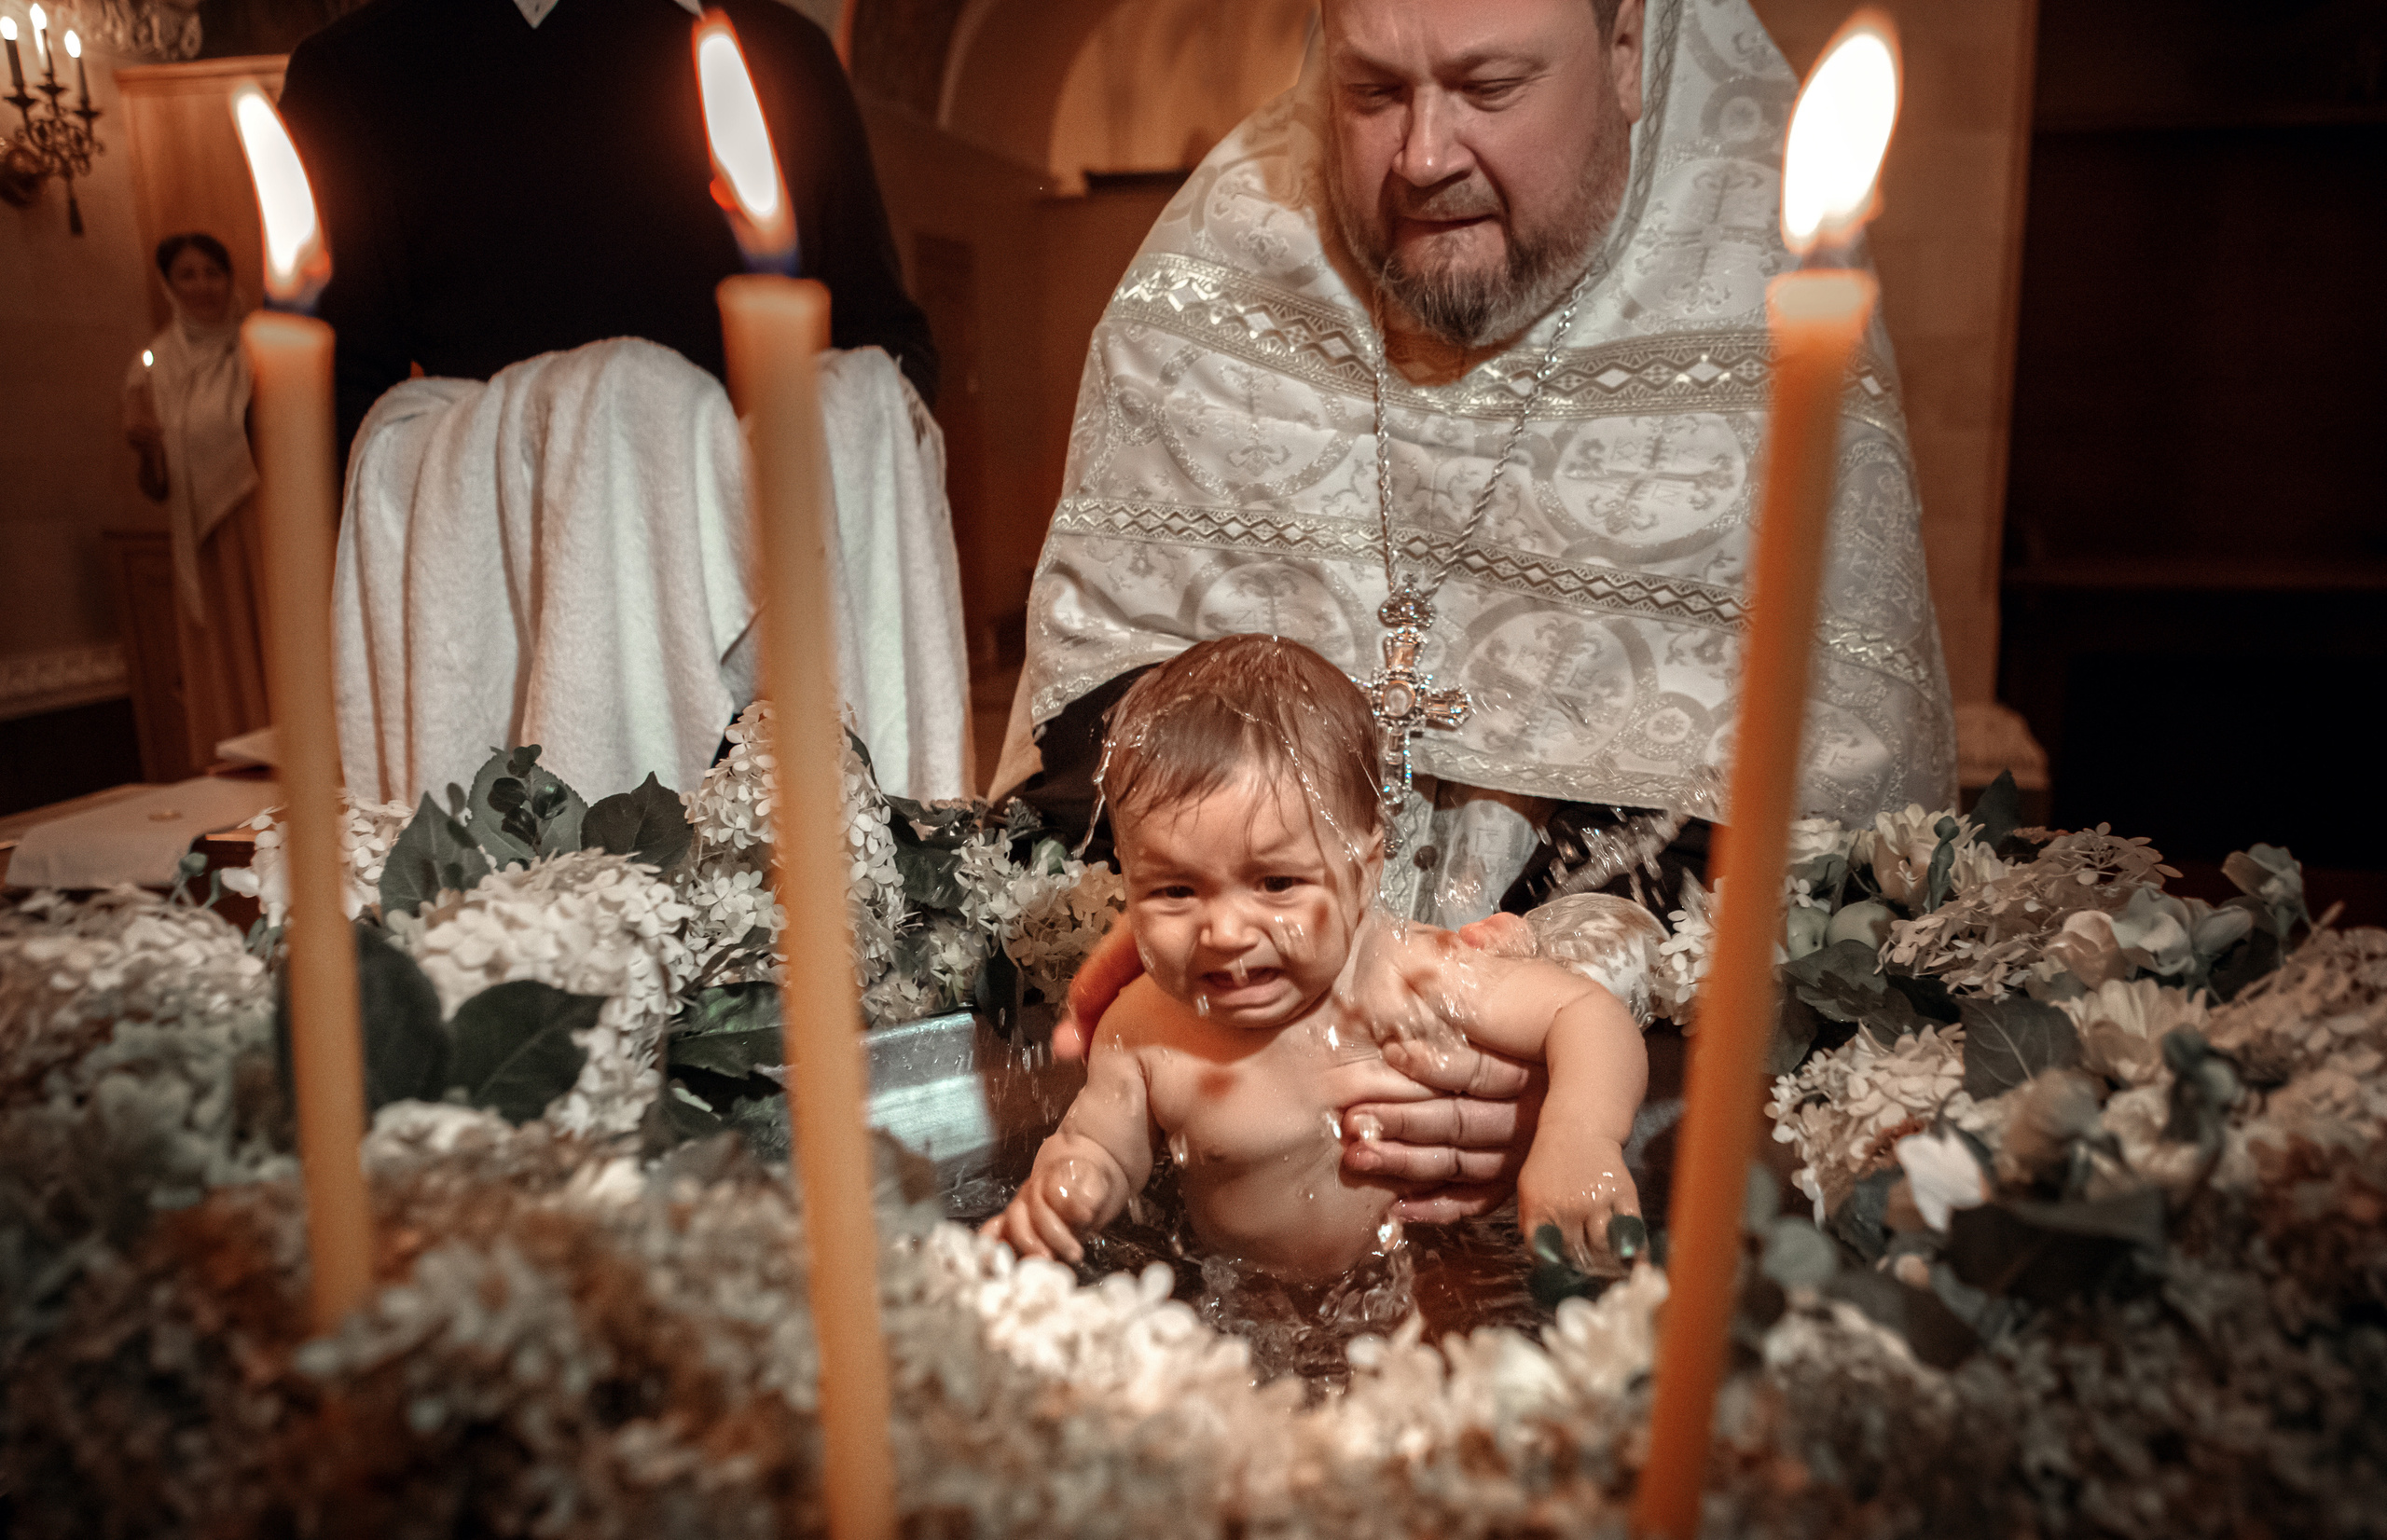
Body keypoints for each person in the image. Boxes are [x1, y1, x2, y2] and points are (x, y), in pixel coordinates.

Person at [999, 0, 1959, 1213]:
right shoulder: (1210, 281)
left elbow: (1842, 891)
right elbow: (1085, 763)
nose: (1423, 156)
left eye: (1488, 86)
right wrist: (1195, 929)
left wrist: (1588, 1067)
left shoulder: (1768, 290)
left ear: (1626, 53)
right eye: (1372, 91)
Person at [983, 635, 1646, 1278]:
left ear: (1364, 870)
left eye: (1276, 883)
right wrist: (1067, 1190)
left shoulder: (1411, 977)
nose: (1225, 931)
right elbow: (1102, 1145)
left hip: (1434, 1286)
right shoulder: (1146, 1031)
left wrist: (1578, 1136)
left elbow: (1584, 1012)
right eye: (1175, 890)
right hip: (1242, 1301)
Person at [277, 0, 937, 457]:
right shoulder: (360, 79)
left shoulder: (782, 54)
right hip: (508, 619)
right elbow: (318, 409)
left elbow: (883, 341)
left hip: (770, 590)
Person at [122, 231, 272, 768]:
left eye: (213, 271)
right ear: (168, 285)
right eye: (187, 274)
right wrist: (146, 453)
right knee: (225, 651)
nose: (202, 285)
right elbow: (157, 488)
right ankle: (236, 762)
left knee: (277, 640)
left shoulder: (259, 349)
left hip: (263, 525)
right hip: (202, 537)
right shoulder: (154, 367)